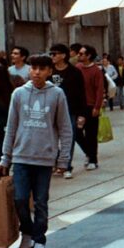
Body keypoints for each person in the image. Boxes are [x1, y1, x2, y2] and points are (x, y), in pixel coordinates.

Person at [0, 54, 72, 248]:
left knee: (41, 202)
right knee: (20, 200)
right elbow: (11, 127)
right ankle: (27, 233)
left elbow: (65, 129)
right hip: (21, 157)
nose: (37, 72)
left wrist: (63, 159)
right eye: (34, 68)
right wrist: (6, 157)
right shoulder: (19, 94)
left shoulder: (57, 94)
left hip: (44, 159)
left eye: (42, 68)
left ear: (50, 71)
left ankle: (39, 242)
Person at [49, 43, 86, 180]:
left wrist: (82, 114)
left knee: (68, 139)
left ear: (63, 55)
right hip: (50, 110)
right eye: (51, 54)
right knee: (50, 138)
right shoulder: (49, 70)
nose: (52, 56)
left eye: (55, 53)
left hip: (70, 110)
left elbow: (81, 93)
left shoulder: (74, 72)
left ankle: (66, 166)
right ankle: (55, 162)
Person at [76, 45, 103, 170]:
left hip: (91, 106)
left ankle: (93, 159)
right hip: (79, 106)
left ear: (89, 56)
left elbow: (99, 90)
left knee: (91, 133)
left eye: (81, 54)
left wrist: (97, 107)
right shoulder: (77, 68)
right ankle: (89, 152)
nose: (79, 56)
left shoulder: (96, 71)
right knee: (76, 132)